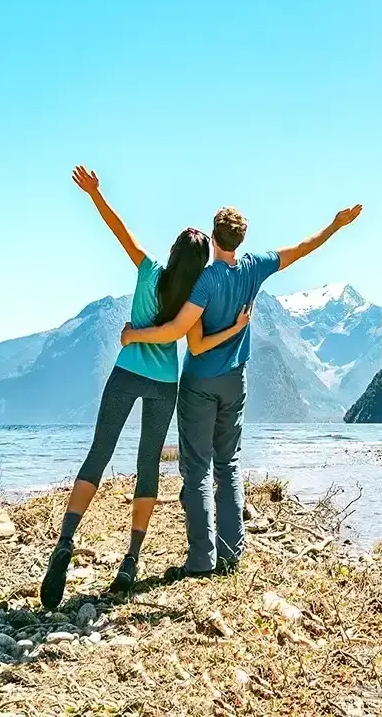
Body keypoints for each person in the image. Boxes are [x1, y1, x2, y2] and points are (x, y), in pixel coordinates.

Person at [40, 166, 250, 610]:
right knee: (148, 465)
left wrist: (96, 194)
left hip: (126, 373)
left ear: (173, 251)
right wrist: (234, 328)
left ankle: (65, 539)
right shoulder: (196, 291)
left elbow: (119, 229)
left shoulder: (148, 269)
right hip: (164, 385)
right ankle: (131, 560)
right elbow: (188, 338)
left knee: (99, 453)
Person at [120, 203, 362, 576]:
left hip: (200, 382)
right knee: (228, 464)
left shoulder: (202, 282)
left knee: (197, 470)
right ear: (240, 239)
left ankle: (201, 559)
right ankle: (231, 553)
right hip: (236, 381)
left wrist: (134, 335)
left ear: (213, 237)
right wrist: (335, 224)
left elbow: (194, 343)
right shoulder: (253, 268)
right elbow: (300, 249)